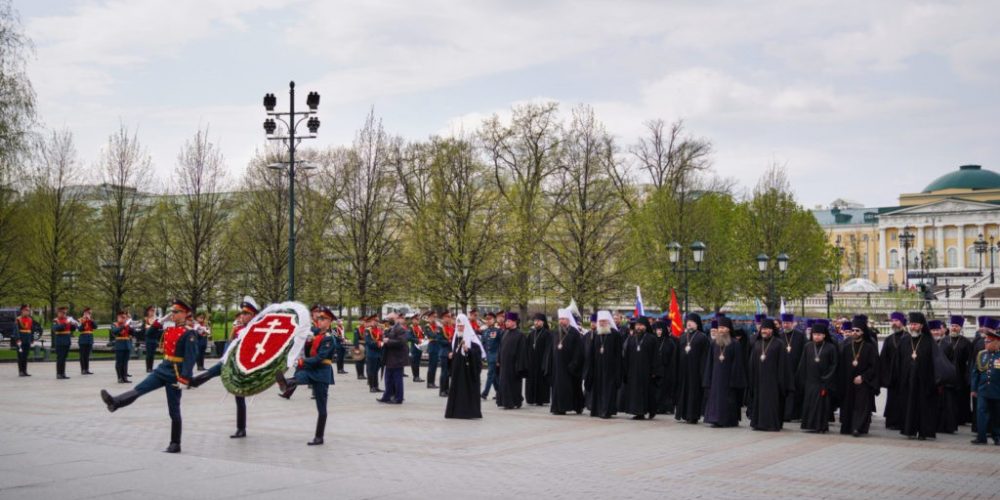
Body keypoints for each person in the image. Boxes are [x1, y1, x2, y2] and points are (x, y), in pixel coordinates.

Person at [100, 299, 198, 453]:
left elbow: (191, 357)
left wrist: (185, 378)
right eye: (172, 311)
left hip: (175, 373)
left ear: (186, 314)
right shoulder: (169, 329)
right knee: (141, 388)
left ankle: (175, 443)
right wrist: (160, 321)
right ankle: (116, 402)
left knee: (173, 409)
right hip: (163, 368)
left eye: (177, 312)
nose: (173, 314)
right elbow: (149, 334)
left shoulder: (189, 333)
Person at [188, 297, 259, 438]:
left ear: (253, 316)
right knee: (216, 369)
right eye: (242, 313)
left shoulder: (257, 330)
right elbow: (232, 343)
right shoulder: (239, 329)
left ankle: (241, 428)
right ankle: (195, 381)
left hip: (242, 366)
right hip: (231, 360)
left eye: (246, 314)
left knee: (239, 397)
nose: (243, 316)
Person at [276, 306, 338, 445]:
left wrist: (303, 361)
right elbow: (303, 332)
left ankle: (319, 437)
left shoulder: (329, 339)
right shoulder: (315, 333)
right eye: (319, 318)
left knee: (321, 407)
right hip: (311, 370)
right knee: (300, 377)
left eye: (323, 319)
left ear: (329, 322)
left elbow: (320, 358)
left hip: (322, 372)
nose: (319, 321)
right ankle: (286, 383)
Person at [895, 312, 940, 440]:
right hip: (907, 381)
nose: (912, 327)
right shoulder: (904, 341)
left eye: (915, 324)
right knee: (908, 406)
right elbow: (898, 361)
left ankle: (923, 432)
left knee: (923, 408)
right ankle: (909, 430)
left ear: (921, 326)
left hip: (924, 382)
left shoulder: (929, 341)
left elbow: (936, 362)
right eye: (911, 324)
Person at [703, 317, 747, 428]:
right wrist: (707, 379)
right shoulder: (714, 344)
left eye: (723, 327)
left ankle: (728, 421)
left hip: (728, 379)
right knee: (715, 399)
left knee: (728, 400)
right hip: (715, 378)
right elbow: (709, 363)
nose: (721, 330)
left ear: (728, 329)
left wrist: (734, 380)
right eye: (719, 328)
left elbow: (738, 364)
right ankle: (714, 419)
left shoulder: (735, 343)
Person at [748, 318, 791, 431]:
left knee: (771, 403)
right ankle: (758, 423)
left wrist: (780, 381)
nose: (764, 331)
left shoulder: (779, 344)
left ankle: (771, 424)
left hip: (773, 381)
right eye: (763, 328)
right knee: (759, 401)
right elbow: (752, 363)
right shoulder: (757, 343)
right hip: (759, 380)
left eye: (766, 329)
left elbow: (783, 364)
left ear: (772, 330)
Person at [838, 322, 879, 436]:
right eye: (853, 330)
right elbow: (841, 366)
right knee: (848, 404)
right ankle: (847, 427)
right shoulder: (846, 347)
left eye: (857, 330)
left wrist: (863, 377)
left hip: (863, 382)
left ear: (862, 332)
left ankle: (858, 428)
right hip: (848, 382)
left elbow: (874, 366)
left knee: (861, 406)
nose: (854, 333)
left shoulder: (869, 347)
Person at [799, 321, 839, 433]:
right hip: (810, 381)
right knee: (809, 404)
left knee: (821, 406)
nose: (816, 336)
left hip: (823, 381)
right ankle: (809, 426)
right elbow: (803, 364)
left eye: (819, 335)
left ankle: (820, 426)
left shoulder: (830, 347)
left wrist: (826, 378)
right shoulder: (808, 346)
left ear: (824, 335)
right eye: (814, 334)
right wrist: (802, 380)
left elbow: (834, 365)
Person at [584, 311, 623, 419]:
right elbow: (591, 353)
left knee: (608, 390)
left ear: (608, 322)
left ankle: (607, 411)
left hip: (610, 369)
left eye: (604, 321)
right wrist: (590, 368)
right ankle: (597, 410)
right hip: (597, 368)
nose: (601, 323)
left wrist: (618, 370)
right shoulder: (596, 333)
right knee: (598, 389)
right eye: (600, 321)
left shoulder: (615, 334)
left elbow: (618, 354)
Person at [445, 314, 484, 419]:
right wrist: (450, 355)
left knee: (467, 390)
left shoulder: (472, 338)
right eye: (458, 326)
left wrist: (469, 351)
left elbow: (478, 354)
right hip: (458, 370)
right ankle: (455, 412)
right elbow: (453, 350)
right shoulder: (456, 338)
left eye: (461, 326)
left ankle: (468, 412)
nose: (459, 328)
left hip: (468, 371)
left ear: (466, 326)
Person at [548, 308, 585, 415]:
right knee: (557, 387)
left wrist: (574, 364)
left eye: (563, 319)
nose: (561, 321)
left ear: (568, 320)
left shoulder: (574, 333)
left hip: (570, 367)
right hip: (557, 366)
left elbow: (579, 351)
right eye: (560, 319)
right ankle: (559, 408)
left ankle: (577, 406)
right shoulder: (556, 332)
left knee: (572, 388)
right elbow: (552, 349)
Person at [622, 316, 659, 420]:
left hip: (647, 371)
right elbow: (626, 356)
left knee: (648, 392)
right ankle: (638, 412)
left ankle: (651, 411)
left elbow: (655, 356)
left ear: (646, 326)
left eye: (641, 325)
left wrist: (654, 371)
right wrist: (626, 370)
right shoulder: (631, 339)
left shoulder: (652, 339)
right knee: (635, 393)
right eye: (637, 325)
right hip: (633, 371)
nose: (638, 327)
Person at [970, 320, 1000, 445]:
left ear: (997, 342)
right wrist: (973, 389)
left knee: (996, 415)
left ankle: (997, 436)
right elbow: (975, 372)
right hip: (982, 390)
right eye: (986, 341)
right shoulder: (981, 354)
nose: (986, 343)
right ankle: (981, 437)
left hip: (997, 391)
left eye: (989, 341)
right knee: (981, 413)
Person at [675, 313, 708, 424]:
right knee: (683, 392)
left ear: (697, 323)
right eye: (687, 321)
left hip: (696, 371)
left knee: (694, 393)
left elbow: (705, 357)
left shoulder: (702, 337)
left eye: (691, 321)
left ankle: (693, 415)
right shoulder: (683, 337)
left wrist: (703, 372)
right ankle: (683, 414)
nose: (688, 323)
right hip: (683, 371)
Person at [880, 311, 907, 430]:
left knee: (904, 399)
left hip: (904, 374)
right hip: (892, 375)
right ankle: (891, 422)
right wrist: (885, 375)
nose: (894, 323)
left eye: (896, 321)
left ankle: (903, 422)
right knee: (892, 399)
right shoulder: (889, 339)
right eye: (893, 321)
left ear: (902, 322)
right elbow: (883, 359)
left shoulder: (909, 338)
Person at [930, 319, 958, 434]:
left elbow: (951, 363)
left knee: (946, 405)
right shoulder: (926, 343)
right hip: (930, 379)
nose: (935, 332)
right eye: (933, 330)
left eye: (937, 330)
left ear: (941, 331)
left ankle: (945, 427)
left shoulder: (947, 345)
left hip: (944, 380)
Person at [496, 312, 527, 409]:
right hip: (504, 364)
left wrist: (519, 365)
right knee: (504, 383)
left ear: (514, 322)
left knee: (513, 384)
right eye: (506, 321)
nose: (506, 323)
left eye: (508, 321)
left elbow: (522, 352)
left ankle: (514, 402)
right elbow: (500, 347)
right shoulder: (505, 333)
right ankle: (504, 402)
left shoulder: (520, 335)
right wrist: (498, 359)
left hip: (514, 365)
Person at [778, 313, 806, 422]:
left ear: (793, 324)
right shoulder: (779, 336)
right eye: (784, 323)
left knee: (796, 392)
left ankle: (795, 414)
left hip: (796, 369)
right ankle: (784, 414)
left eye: (788, 323)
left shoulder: (800, 335)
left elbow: (804, 352)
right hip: (783, 370)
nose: (786, 325)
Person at [947, 315, 973, 426]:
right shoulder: (945, 340)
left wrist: (967, 377)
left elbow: (969, 361)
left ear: (960, 328)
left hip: (961, 376)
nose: (954, 328)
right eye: (952, 325)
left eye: (956, 326)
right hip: (947, 376)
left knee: (961, 399)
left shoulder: (966, 343)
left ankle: (961, 419)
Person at [378, 313, 409, 404]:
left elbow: (401, 342)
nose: (388, 320)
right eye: (388, 318)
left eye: (390, 318)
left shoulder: (400, 329)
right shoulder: (390, 328)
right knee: (388, 379)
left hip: (397, 358)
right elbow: (385, 337)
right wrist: (384, 337)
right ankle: (387, 396)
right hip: (390, 358)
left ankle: (399, 398)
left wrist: (388, 341)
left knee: (397, 380)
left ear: (396, 318)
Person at [525, 313, 552, 406]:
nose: (536, 323)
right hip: (532, 362)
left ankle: (541, 399)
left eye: (538, 321)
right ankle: (531, 398)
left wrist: (546, 362)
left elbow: (549, 349)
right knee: (531, 380)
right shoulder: (532, 333)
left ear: (543, 322)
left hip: (542, 362)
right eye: (535, 321)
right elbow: (527, 347)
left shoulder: (547, 333)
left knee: (541, 381)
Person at [652, 319, 677, 415]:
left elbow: (672, 358)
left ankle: (665, 407)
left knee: (665, 390)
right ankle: (656, 407)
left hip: (666, 370)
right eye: (657, 330)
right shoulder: (653, 340)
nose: (659, 331)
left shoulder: (670, 342)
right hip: (656, 370)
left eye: (660, 330)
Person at [480, 312, 503, 400]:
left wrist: (499, 358)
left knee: (490, 374)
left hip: (495, 356)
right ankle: (499, 392)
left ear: (494, 320)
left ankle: (485, 393)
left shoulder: (498, 331)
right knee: (493, 376)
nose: (488, 321)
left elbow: (501, 345)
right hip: (488, 356)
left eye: (490, 319)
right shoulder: (485, 331)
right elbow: (483, 344)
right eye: (487, 319)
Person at [51, 306, 75, 380]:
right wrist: (65, 323)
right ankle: (59, 374)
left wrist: (73, 324)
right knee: (60, 358)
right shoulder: (56, 320)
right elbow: (55, 329)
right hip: (60, 342)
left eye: (65, 313)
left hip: (67, 341)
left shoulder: (67, 320)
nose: (64, 314)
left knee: (64, 358)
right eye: (63, 313)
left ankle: (63, 373)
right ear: (59, 313)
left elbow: (72, 329)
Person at [14, 305, 37, 377]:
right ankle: (21, 371)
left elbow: (32, 330)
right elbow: (16, 331)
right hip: (21, 340)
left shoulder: (30, 319)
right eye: (26, 310)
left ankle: (25, 371)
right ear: (22, 311)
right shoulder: (18, 319)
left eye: (28, 310)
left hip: (27, 340)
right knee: (20, 356)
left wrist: (32, 339)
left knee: (25, 356)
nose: (28, 312)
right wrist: (18, 339)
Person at [111, 310, 134, 384]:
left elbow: (133, 333)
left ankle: (125, 377)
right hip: (119, 345)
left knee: (125, 362)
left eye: (124, 317)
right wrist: (123, 325)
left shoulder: (127, 325)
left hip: (127, 345)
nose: (123, 318)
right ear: (118, 317)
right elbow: (115, 331)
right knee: (119, 362)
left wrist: (131, 326)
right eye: (122, 317)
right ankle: (119, 377)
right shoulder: (114, 324)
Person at [438, 311, 456, 397]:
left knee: (449, 372)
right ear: (443, 318)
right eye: (446, 317)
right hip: (444, 352)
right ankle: (442, 390)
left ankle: (447, 389)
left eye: (449, 317)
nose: (448, 319)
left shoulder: (452, 328)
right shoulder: (440, 328)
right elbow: (439, 340)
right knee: (444, 372)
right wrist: (449, 342)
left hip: (451, 352)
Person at [365, 315, 384, 393]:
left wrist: (382, 343)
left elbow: (382, 339)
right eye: (374, 321)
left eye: (377, 321)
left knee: (376, 371)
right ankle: (371, 386)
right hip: (371, 354)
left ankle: (376, 386)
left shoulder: (379, 330)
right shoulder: (367, 330)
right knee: (371, 371)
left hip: (379, 354)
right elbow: (369, 342)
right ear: (371, 322)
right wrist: (379, 344)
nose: (376, 322)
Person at [425, 311, 443, 389]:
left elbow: (440, 335)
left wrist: (438, 329)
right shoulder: (427, 326)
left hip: (437, 347)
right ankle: (430, 383)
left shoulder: (436, 326)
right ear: (429, 317)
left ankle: (432, 382)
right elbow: (432, 335)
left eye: (435, 317)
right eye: (433, 317)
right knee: (431, 366)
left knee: (435, 366)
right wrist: (437, 330)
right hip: (432, 347)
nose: (435, 318)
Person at [142, 306, 162, 373]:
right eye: (151, 311)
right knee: (149, 354)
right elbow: (144, 329)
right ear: (148, 311)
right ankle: (148, 368)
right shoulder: (146, 319)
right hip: (148, 338)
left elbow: (159, 328)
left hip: (154, 338)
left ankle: (151, 367)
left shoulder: (155, 319)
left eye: (153, 311)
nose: (152, 312)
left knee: (152, 354)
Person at [407, 313, 425, 383]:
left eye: (418, 319)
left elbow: (421, 335)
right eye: (416, 319)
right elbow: (408, 337)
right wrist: (417, 340)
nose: (418, 321)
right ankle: (415, 376)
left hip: (419, 347)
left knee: (417, 363)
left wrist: (423, 339)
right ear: (413, 320)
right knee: (414, 362)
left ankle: (417, 376)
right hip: (414, 347)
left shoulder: (419, 327)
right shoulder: (410, 327)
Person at [78, 307, 96, 375]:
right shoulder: (80, 320)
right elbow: (80, 329)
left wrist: (90, 320)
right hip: (83, 339)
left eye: (90, 313)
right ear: (84, 313)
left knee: (87, 355)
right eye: (88, 313)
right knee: (82, 355)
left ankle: (87, 369)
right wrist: (84, 321)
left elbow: (95, 327)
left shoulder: (91, 320)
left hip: (89, 339)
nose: (89, 314)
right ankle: (83, 369)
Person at [352, 315, 368, 381]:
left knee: (363, 360)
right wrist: (356, 348)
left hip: (365, 346)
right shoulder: (357, 328)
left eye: (364, 321)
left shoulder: (366, 328)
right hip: (359, 346)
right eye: (362, 321)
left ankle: (362, 374)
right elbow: (355, 339)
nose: (363, 322)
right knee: (359, 360)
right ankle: (359, 375)